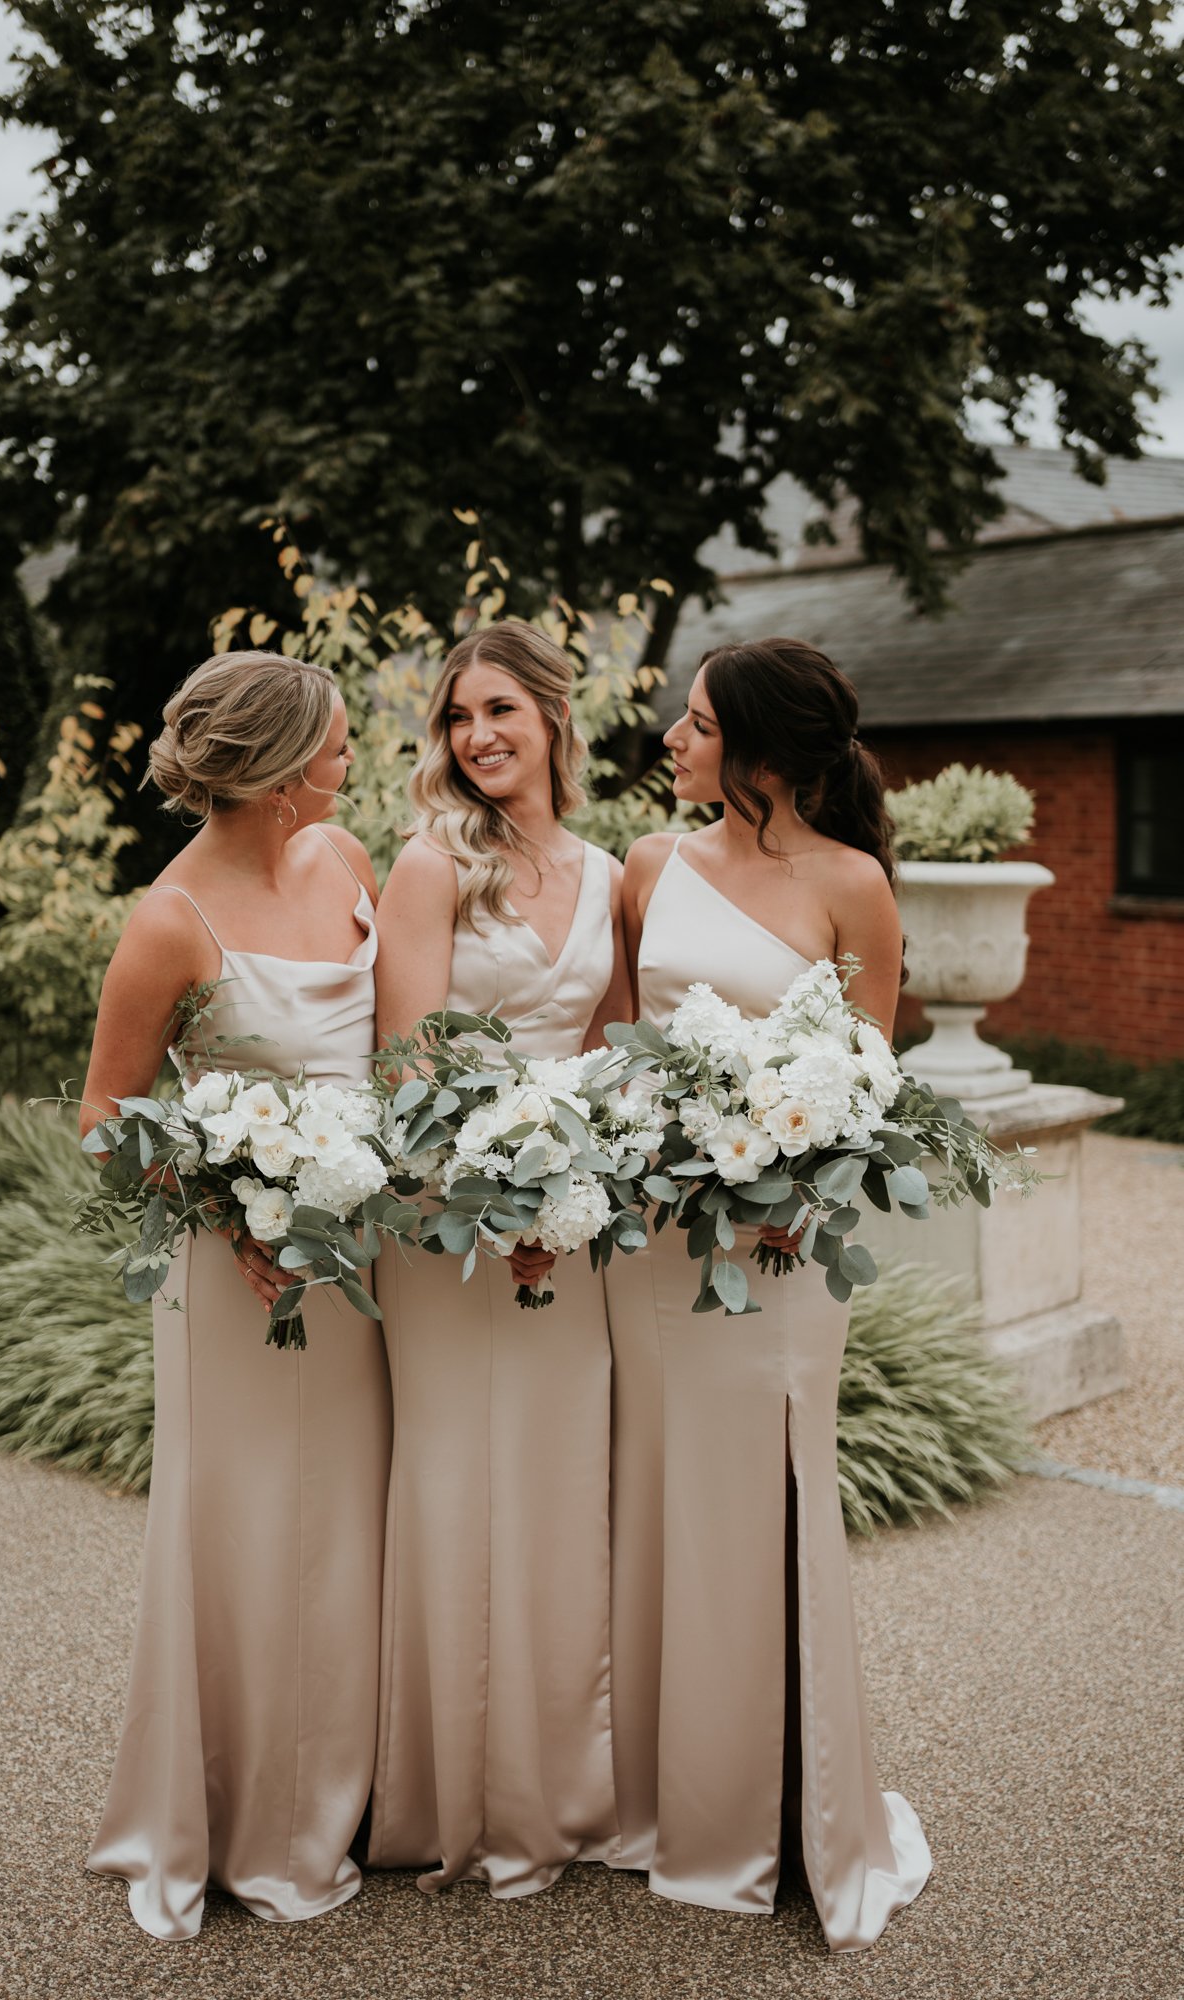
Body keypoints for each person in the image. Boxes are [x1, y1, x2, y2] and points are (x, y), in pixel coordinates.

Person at [605, 637, 932, 1951]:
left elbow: (867, 1083)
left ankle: (769, 1810)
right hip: (651, 1244)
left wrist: (793, 1191)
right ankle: (657, 1800)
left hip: (783, 1255)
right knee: (654, 1492)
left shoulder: (855, 888)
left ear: (758, 753)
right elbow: (623, 1044)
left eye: (692, 727)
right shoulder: (646, 865)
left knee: (764, 1501)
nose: (670, 745)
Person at [81, 650, 390, 1939]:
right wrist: (225, 1205)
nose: (349, 757)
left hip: (360, 1263)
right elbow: (105, 1118)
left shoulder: (349, 860)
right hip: (233, 1276)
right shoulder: (168, 919)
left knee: (351, 1525)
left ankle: (346, 1793)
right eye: (330, 741)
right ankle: (231, 1813)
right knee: (246, 1531)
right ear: (273, 772)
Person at [365, 620, 632, 1897]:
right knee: (452, 1474)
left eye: (499, 712)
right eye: (458, 717)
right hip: (444, 1223)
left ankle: (555, 1785)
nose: (476, 737)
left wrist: (566, 1185)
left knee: (559, 1480)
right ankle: (441, 1793)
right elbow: (407, 1059)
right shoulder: (429, 865)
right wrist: (496, 1188)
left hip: (571, 1223)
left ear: (551, 719)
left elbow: (622, 1047)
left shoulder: (612, 866)